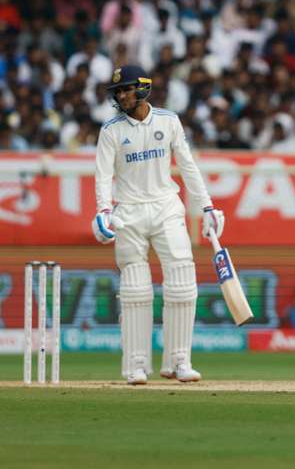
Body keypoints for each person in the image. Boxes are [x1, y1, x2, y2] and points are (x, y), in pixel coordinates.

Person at [92, 65, 225, 385]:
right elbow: (103, 176)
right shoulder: (111, 130)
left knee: (182, 281)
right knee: (135, 289)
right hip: (129, 214)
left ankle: (179, 360)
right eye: (117, 91)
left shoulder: (168, 121)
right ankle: (135, 365)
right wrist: (103, 211)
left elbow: (189, 168)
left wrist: (206, 206)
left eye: (126, 89)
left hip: (167, 208)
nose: (121, 95)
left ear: (143, 88)